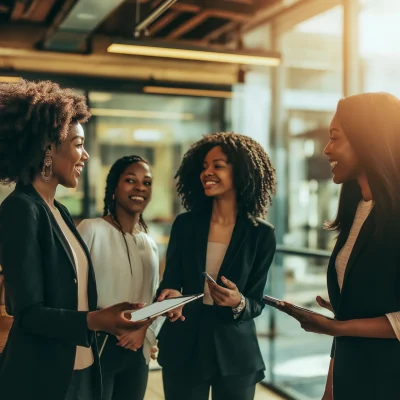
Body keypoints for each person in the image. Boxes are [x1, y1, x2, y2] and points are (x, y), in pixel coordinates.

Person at [0, 80, 152, 400]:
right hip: (44, 375)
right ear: (48, 147)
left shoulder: (60, 211)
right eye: (78, 143)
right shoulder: (20, 209)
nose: (84, 155)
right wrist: (98, 320)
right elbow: (27, 312)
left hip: (82, 366)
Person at [278, 93, 400, 400]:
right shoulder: (356, 208)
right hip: (353, 378)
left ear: (366, 141)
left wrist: (339, 327)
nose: (326, 149)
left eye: (335, 138)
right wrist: (330, 390)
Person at [157, 132, 277, 400]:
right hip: (185, 343)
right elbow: (170, 281)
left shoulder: (261, 234)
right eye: (204, 167)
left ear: (241, 172)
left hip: (235, 352)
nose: (207, 172)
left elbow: (256, 301)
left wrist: (238, 302)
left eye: (217, 166)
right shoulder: (185, 225)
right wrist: (170, 296)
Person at [78, 155, 163, 400]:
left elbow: (153, 297)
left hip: (137, 350)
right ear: (114, 189)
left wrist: (145, 332)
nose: (140, 187)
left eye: (146, 183)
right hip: (97, 346)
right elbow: (74, 290)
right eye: (130, 180)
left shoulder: (150, 244)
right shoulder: (91, 229)